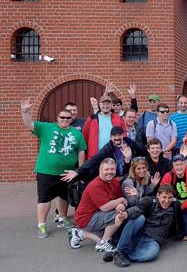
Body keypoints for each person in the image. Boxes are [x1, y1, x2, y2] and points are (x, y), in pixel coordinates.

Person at [21, 98, 87, 238]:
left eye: (68, 118)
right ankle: (41, 225)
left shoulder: (77, 133)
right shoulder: (47, 128)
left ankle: (62, 218)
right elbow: (29, 124)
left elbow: (81, 151)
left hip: (66, 172)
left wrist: (79, 171)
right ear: (57, 118)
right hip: (46, 171)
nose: (65, 120)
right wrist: (25, 112)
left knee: (64, 196)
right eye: (62, 117)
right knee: (44, 198)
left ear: (71, 119)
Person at [104, 184, 184, 267]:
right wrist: (125, 214)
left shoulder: (175, 205)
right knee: (139, 218)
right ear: (158, 195)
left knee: (152, 253)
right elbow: (137, 209)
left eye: (170, 197)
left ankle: (118, 254)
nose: (167, 201)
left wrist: (181, 236)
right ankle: (120, 251)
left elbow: (179, 221)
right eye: (164, 197)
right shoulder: (149, 201)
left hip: (153, 240)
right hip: (139, 235)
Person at [68, 158, 126, 252]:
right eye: (106, 169)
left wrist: (121, 205)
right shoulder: (95, 185)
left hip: (98, 214)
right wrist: (121, 200)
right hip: (86, 218)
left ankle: (79, 234)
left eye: (112, 169)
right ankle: (103, 242)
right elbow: (105, 207)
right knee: (119, 215)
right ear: (100, 170)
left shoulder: (114, 182)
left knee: (120, 213)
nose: (110, 172)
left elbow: (118, 200)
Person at [64, 126, 147, 182]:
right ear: (111, 137)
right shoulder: (107, 148)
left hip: (131, 176)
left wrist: (128, 159)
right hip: (115, 179)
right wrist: (77, 172)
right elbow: (93, 160)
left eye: (119, 135)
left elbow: (146, 150)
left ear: (123, 135)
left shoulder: (130, 143)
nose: (117, 138)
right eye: (114, 135)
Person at [160, 154, 187, 240]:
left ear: (185, 164)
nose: (179, 167)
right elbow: (162, 193)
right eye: (177, 165)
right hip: (173, 204)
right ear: (173, 165)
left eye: (181, 164)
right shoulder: (168, 176)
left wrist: (182, 206)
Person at [82, 94, 125, 159]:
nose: (105, 106)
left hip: (114, 155)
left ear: (111, 105)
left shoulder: (118, 118)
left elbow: (124, 135)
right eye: (103, 104)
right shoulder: (92, 119)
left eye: (108, 104)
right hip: (95, 155)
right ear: (99, 105)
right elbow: (85, 136)